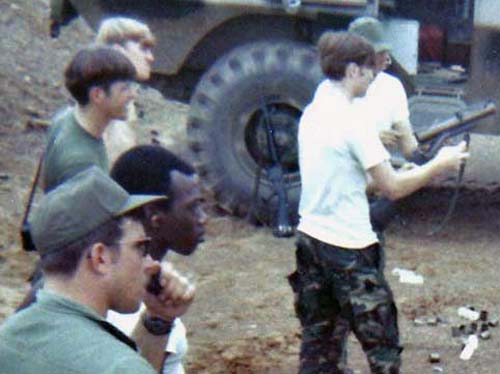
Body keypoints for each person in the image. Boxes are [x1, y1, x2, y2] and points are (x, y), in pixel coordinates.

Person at [288, 31, 469, 373]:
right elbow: (393, 188)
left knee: (319, 347)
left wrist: (393, 170)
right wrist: (439, 165)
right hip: (349, 249)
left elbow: (348, 175)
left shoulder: (316, 107)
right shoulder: (354, 119)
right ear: (353, 70)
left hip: (310, 241)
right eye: (369, 70)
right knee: (384, 350)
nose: (374, 78)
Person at [0, 167, 195, 373]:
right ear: (100, 258)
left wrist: (158, 320)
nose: (151, 264)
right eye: (141, 247)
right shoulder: (118, 366)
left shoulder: (8, 338)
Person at [107, 144, 207, 374]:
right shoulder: (122, 303)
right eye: (192, 208)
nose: (203, 219)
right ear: (154, 216)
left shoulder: (142, 280)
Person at [42, 45, 138, 192]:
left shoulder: (65, 117)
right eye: (124, 89)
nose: (133, 95)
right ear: (97, 95)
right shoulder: (81, 165)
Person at [349, 16, 419, 161]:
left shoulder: (392, 86)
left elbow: (408, 144)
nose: (387, 59)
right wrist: (371, 140)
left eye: (386, 52)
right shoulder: (336, 89)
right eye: (380, 53)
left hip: (381, 173)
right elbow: (330, 140)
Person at [96, 17, 156, 164]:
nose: (150, 58)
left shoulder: (119, 98)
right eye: (143, 48)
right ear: (118, 51)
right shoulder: (103, 101)